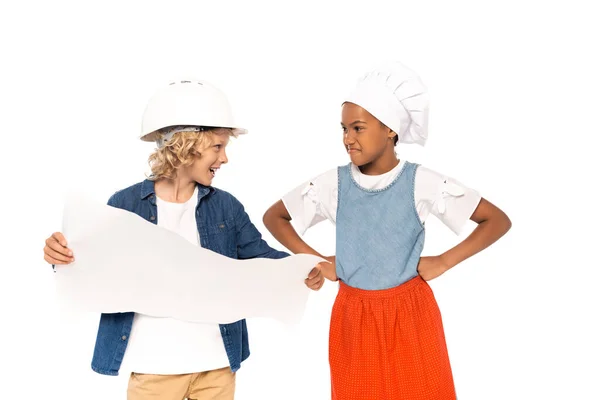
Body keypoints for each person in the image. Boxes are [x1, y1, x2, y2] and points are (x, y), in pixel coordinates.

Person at [43, 79, 324, 400]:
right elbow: (89, 264)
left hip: (216, 367)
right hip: (153, 368)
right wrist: (60, 256)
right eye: (217, 147)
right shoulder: (125, 204)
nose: (225, 158)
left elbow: (259, 256)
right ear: (186, 145)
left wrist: (300, 270)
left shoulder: (225, 207)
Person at [263, 62, 512, 399]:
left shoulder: (420, 181)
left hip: (412, 315)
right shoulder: (333, 184)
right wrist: (317, 259)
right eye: (343, 129)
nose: (347, 139)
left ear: (390, 130)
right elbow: (275, 216)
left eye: (358, 128)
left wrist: (444, 261)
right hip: (354, 317)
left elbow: (496, 220)